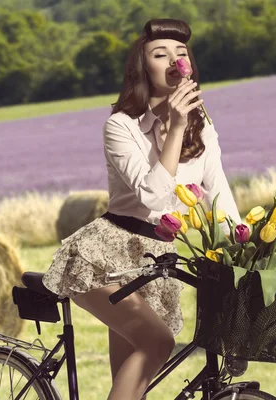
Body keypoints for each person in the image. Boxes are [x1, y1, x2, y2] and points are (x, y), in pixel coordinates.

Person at [42, 18, 241, 400]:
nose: (173, 60)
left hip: (155, 259)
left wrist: (249, 250)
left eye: (181, 53)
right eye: (159, 53)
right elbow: (152, 197)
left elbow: (220, 198)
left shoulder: (204, 128)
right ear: (142, 67)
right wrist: (177, 125)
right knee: (157, 343)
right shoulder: (121, 126)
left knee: (132, 386)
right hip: (103, 255)